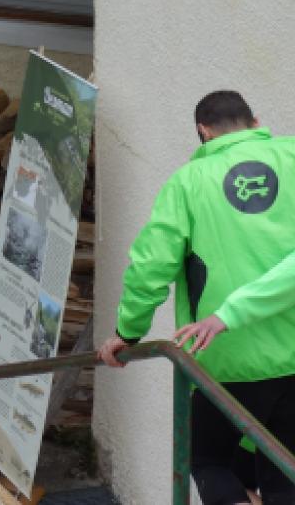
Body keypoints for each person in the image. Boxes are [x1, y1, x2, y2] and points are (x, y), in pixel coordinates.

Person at [97, 90, 295, 505]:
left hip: (222, 360)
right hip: (292, 359)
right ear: (255, 122)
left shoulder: (188, 183)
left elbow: (150, 267)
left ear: (202, 132)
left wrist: (128, 332)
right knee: (284, 475)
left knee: (208, 462)